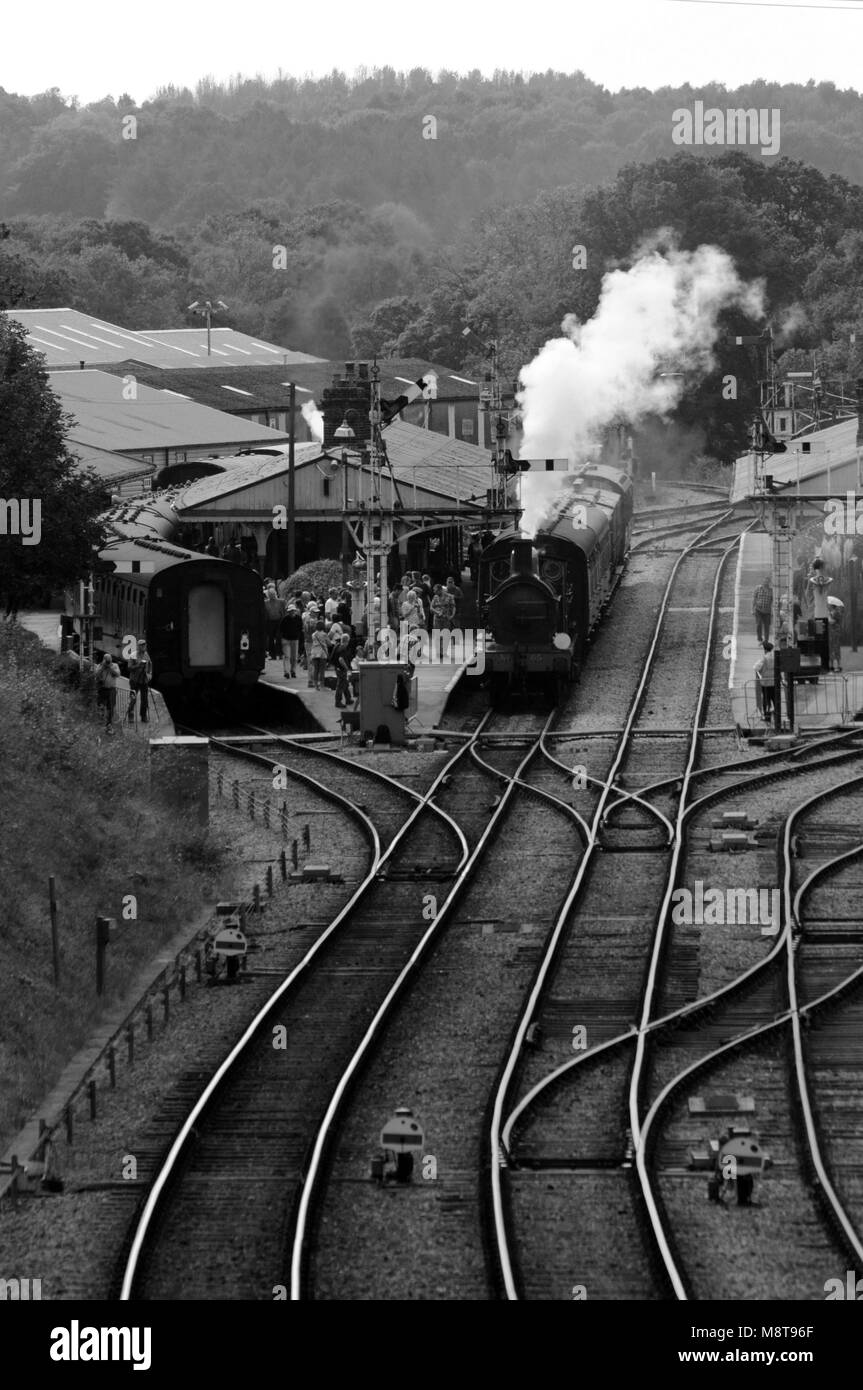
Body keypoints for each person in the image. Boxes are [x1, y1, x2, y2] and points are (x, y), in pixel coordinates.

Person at [127, 641, 153, 722]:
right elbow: (129, 667)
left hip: (144, 680)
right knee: (133, 698)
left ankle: (143, 716)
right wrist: (139, 665)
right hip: (134, 680)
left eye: (144, 645)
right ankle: (130, 715)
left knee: (144, 699)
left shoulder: (146, 654)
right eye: (142, 645)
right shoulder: (133, 655)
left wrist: (149, 674)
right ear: (138, 646)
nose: (143, 647)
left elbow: (150, 665)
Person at [95, 652, 121, 730]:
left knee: (111, 707)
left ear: (111, 659)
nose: (108, 662)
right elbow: (96, 674)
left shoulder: (115, 665)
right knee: (101, 706)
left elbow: (118, 674)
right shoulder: (100, 666)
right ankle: (100, 722)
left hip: (112, 689)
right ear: (103, 660)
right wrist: (103, 667)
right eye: (107, 660)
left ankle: (109, 724)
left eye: (109, 660)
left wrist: (110, 667)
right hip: (102, 689)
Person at [279, 604, 303, 678]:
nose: (292, 612)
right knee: (287, 656)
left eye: (293, 611)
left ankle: (293, 671)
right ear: (288, 611)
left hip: (295, 639)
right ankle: (286, 672)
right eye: (290, 611)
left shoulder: (299, 618)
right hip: (286, 639)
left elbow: (300, 628)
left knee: (294, 657)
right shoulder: (285, 619)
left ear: (295, 611)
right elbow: (281, 629)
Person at [754, 642, 775, 721]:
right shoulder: (775, 657)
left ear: (765, 650)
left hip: (766, 683)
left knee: (766, 700)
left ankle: (767, 717)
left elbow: (756, 667)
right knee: (775, 699)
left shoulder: (764, 658)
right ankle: (777, 716)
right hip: (774, 683)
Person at [263, 584, 284, 659]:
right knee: (271, 639)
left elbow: (283, 611)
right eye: (270, 594)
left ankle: (280, 654)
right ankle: (273, 655)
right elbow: (265, 613)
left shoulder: (281, 601)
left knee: (279, 638)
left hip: (279, 621)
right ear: (268, 595)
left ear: (275, 594)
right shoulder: (265, 602)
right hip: (270, 622)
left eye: (273, 594)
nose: (272, 596)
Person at [309, 620, 330, 691]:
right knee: (322, 670)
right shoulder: (324, 634)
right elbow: (329, 643)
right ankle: (322, 685)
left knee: (316, 670)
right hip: (322, 653)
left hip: (314, 653)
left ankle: (316, 685)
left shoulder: (313, 634)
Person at [752, 576, 773, 644]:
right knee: (759, 624)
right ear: (763, 581)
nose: (766, 582)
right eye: (765, 581)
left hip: (767, 611)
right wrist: (752, 609)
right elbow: (754, 599)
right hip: (758, 610)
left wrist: (772, 611)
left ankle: (766, 640)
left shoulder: (771, 590)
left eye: (767, 581)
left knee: (767, 626)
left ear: (769, 582)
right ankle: (759, 638)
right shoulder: (758, 588)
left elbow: (772, 602)